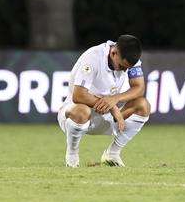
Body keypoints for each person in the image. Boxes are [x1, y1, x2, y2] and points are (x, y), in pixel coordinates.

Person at [57, 34, 150, 167]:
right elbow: (78, 96)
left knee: (143, 105)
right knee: (81, 110)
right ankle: (72, 155)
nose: (124, 70)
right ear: (114, 53)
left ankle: (112, 154)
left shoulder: (130, 59)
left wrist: (115, 99)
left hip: (108, 117)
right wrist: (112, 107)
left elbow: (139, 88)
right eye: (122, 66)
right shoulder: (93, 58)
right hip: (79, 116)